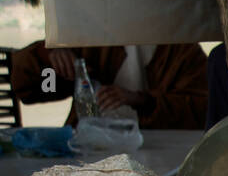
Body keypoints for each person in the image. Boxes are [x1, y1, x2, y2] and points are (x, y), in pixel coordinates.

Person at [12, 42, 208, 130]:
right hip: (89, 154)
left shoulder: (182, 48)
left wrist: (142, 100)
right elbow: (26, 88)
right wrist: (49, 56)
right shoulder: (89, 38)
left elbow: (203, 111)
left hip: (162, 158)